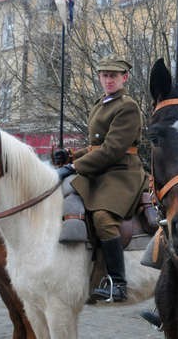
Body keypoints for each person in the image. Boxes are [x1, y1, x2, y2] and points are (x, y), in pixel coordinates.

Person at [53, 56, 145, 303]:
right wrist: (72, 154)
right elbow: (97, 146)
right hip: (100, 168)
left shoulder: (128, 106)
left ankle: (117, 282)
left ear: (124, 78)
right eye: (104, 75)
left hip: (121, 172)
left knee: (103, 217)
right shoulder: (101, 104)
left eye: (113, 76)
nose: (108, 80)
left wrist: (74, 166)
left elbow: (113, 149)